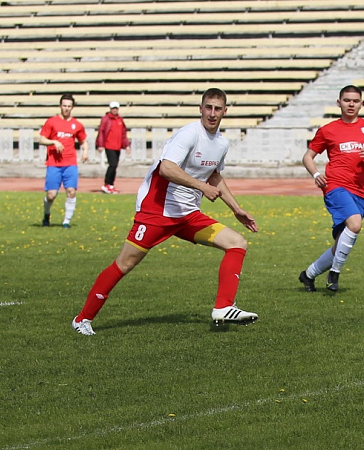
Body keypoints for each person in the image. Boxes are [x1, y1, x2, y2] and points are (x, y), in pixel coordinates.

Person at [71, 88, 259, 335]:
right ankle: (82, 319)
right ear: (201, 109)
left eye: (218, 108)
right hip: (157, 211)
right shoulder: (189, 134)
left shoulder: (221, 143)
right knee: (125, 263)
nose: (212, 113)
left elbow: (214, 175)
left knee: (237, 243)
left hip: (188, 214)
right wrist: (201, 186)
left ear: (225, 111)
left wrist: (236, 209)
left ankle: (223, 307)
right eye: (208, 107)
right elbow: (167, 169)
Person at [298, 85, 364, 293]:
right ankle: (334, 273)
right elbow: (307, 157)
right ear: (339, 103)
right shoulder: (328, 130)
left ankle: (308, 275)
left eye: (355, 101)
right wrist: (317, 174)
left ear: (361, 104)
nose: (351, 104)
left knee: (341, 243)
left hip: (360, 192)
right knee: (355, 224)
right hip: (335, 186)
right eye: (347, 100)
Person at [40, 93, 87, 228]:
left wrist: (85, 150)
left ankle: (66, 221)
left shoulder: (76, 124)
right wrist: (54, 142)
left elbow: (83, 140)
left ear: (72, 108)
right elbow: (42, 139)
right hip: (54, 163)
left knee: (71, 191)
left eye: (69, 106)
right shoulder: (51, 122)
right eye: (64, 105)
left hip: (70, 163)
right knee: (51, 195)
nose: (66, 108)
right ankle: (46, 215)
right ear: (60, 106)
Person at [96, 101, 130, 194]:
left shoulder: (120, 120)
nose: (115, 110)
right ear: (110, 109)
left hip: (117, 146)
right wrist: (100, 144)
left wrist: (126, 144)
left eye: (116, 108)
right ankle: (107, 183)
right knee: (112, 165)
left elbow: (123, 133)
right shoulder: (106, 119)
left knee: (114, 166)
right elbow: (101, 132)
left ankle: (111, 184)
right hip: (109, 145)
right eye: (113, 108)